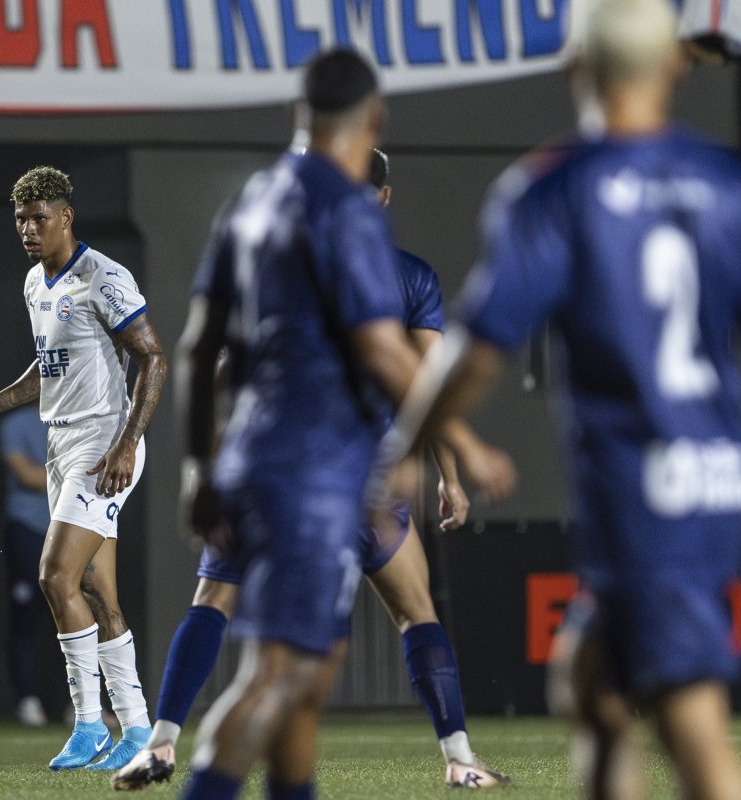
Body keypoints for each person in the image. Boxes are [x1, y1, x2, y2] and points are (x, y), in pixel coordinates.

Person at [386, 0, 741, 797]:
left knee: (688, 716)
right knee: (589, 678)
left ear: (573, 67)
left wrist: (405, 443)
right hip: (721, 476)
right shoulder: (726, 183)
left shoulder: (556, 189)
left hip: (645, 485)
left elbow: (474, 357)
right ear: (673, 66)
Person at [172, 49, 512, 800]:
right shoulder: (351, 211)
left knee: (307, 677)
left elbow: (198, 352)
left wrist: (200, 469)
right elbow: (383, 350)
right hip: (315, 469)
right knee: (278, 676)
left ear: (299, 111)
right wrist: (462, 442)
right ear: (374, 118)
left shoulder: (252, 201)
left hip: (256, 461)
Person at [0, 166, 167, 772]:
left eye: (39, 218)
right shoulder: (35, 282)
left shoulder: (102, 276)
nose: (28, 229)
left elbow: (152, 357)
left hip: (103, 442)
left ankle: (86, 725)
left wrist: (128, 442)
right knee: (98, 592)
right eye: (21, 219)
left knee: (55, 576)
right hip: (61, 444)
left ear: (66, 217)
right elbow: (48, 367)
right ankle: (136, 729)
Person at [0, 403, 53, 727]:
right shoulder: (15, 424)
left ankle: (81, 704)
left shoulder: (75, 422)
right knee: (26, 616)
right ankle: (27, 699)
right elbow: (27, 475)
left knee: (78, 619)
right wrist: (73, 476)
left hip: (69, 529)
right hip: (28, 530)